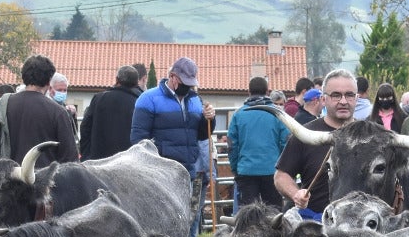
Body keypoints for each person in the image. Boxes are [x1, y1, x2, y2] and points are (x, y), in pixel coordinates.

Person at [131, 56, 215, 224]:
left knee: (189, 221)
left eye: (190, 83)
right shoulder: (148, 99)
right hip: (162, 173)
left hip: (189, 171)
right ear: (172, 77)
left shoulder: (195, 101)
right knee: (163, 221)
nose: (187, 87)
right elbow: (138, 139)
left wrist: (210, 120)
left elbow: (201, 135)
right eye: (184, 82)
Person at [275, 69, 358, 219]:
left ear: (357, 98)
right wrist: (296, 194)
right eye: (336, 95)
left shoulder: (370, 137)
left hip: (361, 226)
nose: (343, 101)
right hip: (316, 227)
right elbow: (281, 175)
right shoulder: (305, 134)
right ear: (324, 99)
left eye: (349, 95)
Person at [0, 54, 80, 168]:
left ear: (23, 77)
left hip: (8, 180)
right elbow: (70, 160)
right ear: (49, 82)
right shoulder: (58, 112)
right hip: (44, 181)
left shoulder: (1, 106)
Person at [227, 76, 288, 208]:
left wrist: (235, 168)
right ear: (267, 92)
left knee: (248, 216)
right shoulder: (278, 114)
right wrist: (284, 169)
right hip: (272, 171)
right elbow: (285, 144)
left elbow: (232, 145)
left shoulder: (238, 115)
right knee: (274, 214)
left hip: (246, 171)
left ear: (248, 92)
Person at [80, 66, 142, 160]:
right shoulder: (140, 102)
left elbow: (85, 127)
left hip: (99, 160)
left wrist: (86, 154)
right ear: (137, 83)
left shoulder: (99, 98)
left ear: (117, 80)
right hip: (128, 161)